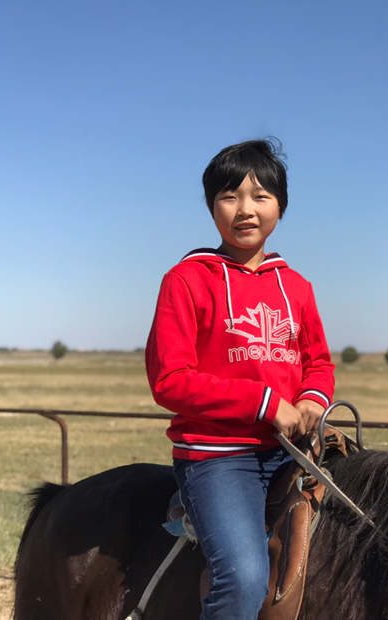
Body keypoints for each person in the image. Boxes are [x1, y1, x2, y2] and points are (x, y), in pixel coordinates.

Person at [145, 138, 335, 620]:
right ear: (212, 207)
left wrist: (312, 400)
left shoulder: (297, 287)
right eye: (229, 197)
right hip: (218, 458)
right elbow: (170, 380)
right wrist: (266, 403)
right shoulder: (186, 280)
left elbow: (318, 363)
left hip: (292, 451)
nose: (245, 209)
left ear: (280, 207)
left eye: (260, 196)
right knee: (245, 578)